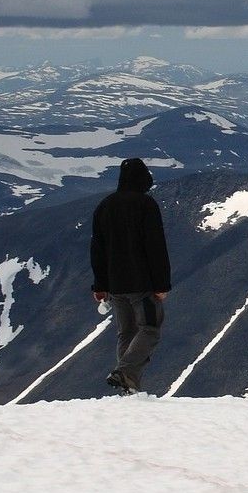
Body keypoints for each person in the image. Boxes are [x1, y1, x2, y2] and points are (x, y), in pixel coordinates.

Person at [90, 157, 172, 394]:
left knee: (126, 332)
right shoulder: (146, 205)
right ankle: (125, 373)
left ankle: (128, 386)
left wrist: (100, 284)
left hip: (115, 284)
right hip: (142, 282)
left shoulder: (104, 206)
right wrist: (161, 283)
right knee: (150, 328)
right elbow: (155, 246)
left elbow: (98, 248)